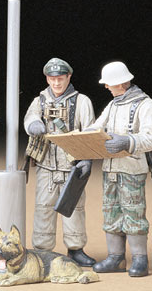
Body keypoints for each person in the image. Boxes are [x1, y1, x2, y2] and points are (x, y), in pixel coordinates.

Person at [89, 61, 152, 277]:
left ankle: (140, 259)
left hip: (131, 169)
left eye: (109, 84)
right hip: (110, 169)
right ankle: (116, 257)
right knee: (111, 211)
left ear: (121, 83)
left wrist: (127, 141)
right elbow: (96, 126)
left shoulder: (146, 105)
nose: (106, 87)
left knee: (133, 212)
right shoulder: (113, 105)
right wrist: (82, 139)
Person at [24, 57, 96, 267]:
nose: (56, 83)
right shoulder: (40, 100)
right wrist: (34, 124)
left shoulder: (81, 101)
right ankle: (42, 250)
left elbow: (90, 131)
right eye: (53, 79)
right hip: (46, 165)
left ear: (68, 77)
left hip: (71, 166)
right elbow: (29, 118)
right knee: (43, 207)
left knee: (74, 208)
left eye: (61, 79)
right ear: (47, 78)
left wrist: (87, 160)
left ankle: (76, 249)